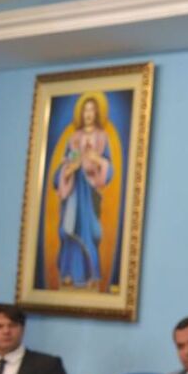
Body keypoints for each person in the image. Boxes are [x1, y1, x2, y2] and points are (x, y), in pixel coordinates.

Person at [55, 93, 114, 291]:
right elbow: (67, 162)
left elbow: (108, 167)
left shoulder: (102, 137)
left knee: (91, 231)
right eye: (85, 110)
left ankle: (90, 274)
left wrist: (98, 161)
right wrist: (69, 168)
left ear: (97, 113)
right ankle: (69, 272)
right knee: (68, 230)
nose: (88, 114)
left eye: (92, 110)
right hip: (73, 190)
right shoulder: (74, 138)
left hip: (89, 192)